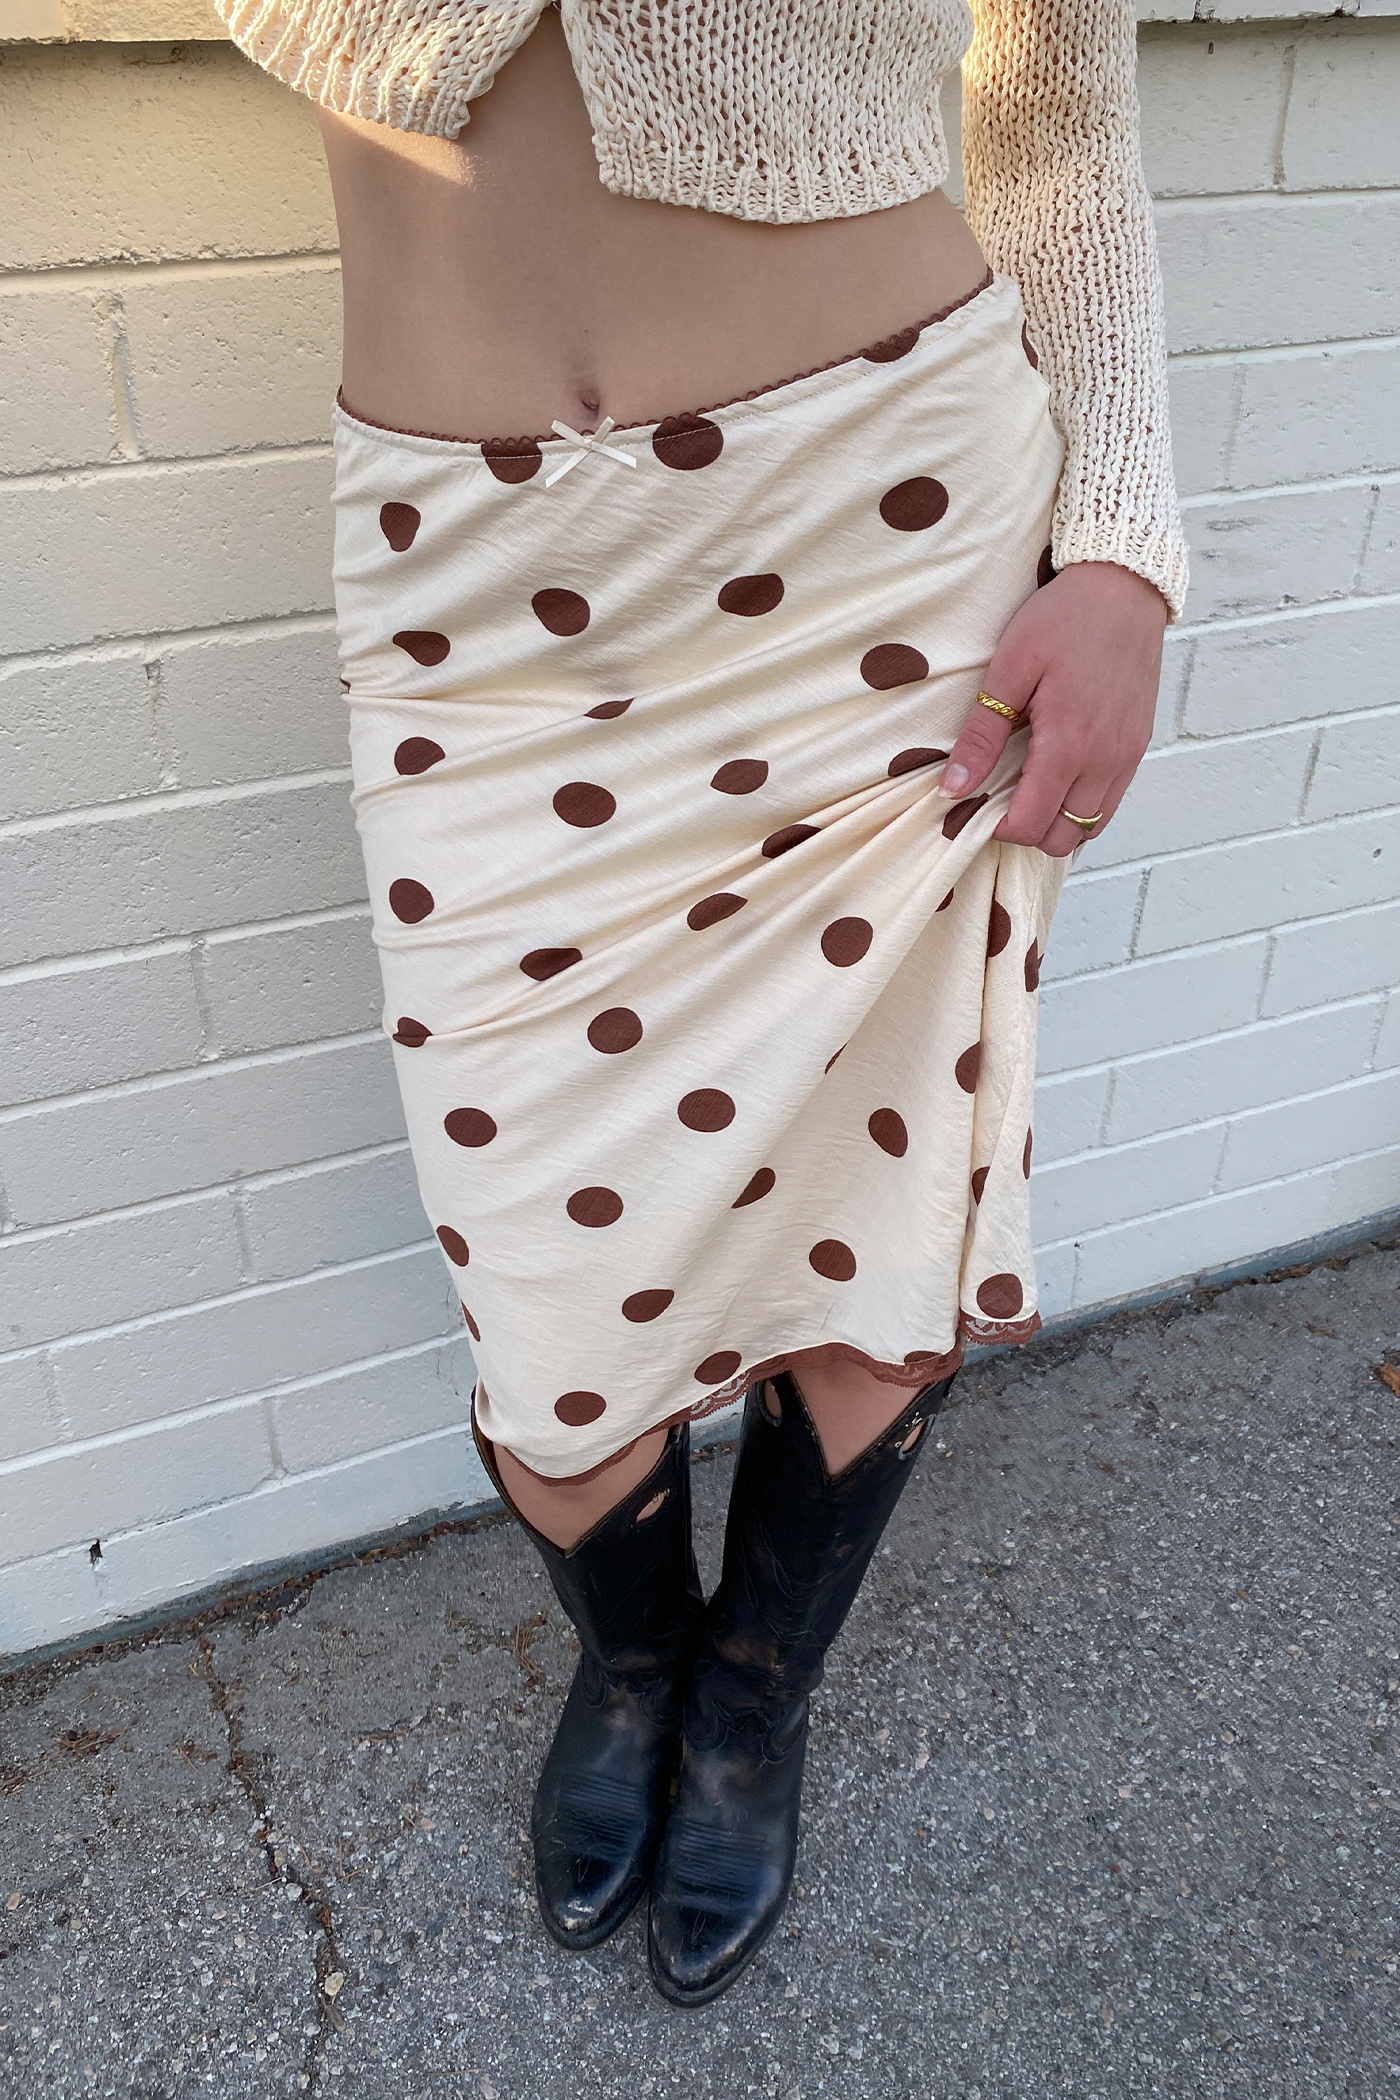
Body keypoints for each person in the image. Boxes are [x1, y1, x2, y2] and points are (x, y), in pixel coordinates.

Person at [214, 0, 1186, 2007]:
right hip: (466, 589)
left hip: (886, 551)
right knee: (544, 1289)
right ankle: (635, 1656)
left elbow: (1054, 96)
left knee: (877, 1203)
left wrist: (1122, 554)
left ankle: (746, 1696)